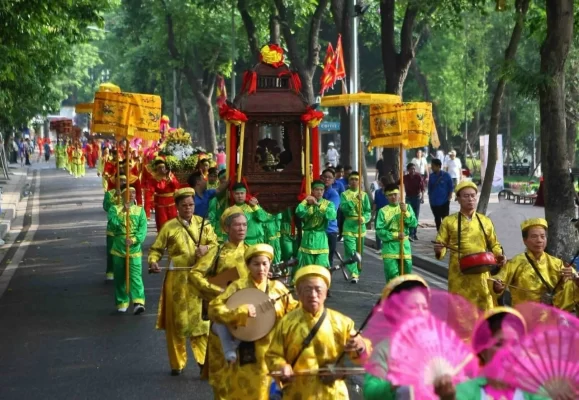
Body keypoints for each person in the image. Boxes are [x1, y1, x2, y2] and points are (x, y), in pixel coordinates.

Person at [265, 265, 371, 399]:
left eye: (318, 290)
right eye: (307, 290)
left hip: (332, 394)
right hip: (297, 393)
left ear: (326, 292)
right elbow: (273, 355)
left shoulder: (341, 322)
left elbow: (362, 357)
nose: (313, 295)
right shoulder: (287, 323)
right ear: (298, 292)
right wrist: (281, 367)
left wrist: (360, 347)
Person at [208, 244, 298, 399]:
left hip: (273, 353)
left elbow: (295, 312)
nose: (261, 268)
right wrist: (239, 312)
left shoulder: (278, 288)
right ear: (248, 265)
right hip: (245, 352)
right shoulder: (238, 286)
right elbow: (214, 309)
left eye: (265, 263)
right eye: (256, 264)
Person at [148, 187, 218, 376]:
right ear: (177, 207)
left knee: (201, 322)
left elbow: (215, 245)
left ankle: (204, 360)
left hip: (198, 279)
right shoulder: (169, 227)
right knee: (176, 323)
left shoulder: (204, 224)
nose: (188, 208)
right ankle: (177, 363)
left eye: (191, 204)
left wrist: (205, 249)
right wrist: (153, 261)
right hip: (176, 280)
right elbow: (156, 249)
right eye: (184, 205)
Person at [190, 207, 249, 400]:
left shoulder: (252, 252)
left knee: (246, 375)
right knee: (221, 376)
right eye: (237, 225)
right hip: (221, 316)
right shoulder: (217, 252)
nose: (241, 229)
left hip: (246, 318)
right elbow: (195, 275)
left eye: (244, 225)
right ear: (226, 228)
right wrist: (218, 291)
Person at [433, 308, 548, 400]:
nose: (508, 351)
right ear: (483, 351)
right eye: (499, 344)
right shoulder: (464, 392)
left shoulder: (535, 392)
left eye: (514, 344)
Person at [434, 181, 506, 311]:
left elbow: (494, 244)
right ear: (458, 199)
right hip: (459, 274)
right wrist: (439, 250)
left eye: (473, 196)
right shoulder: (449, 221)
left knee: (484, 311)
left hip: (481, 272)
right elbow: (441, 244)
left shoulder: (485, 221)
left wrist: (499, 255)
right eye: (466, 196)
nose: (470, 199)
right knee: (460, 313)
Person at [363, 275, 429, 400]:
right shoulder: (383, 350)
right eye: (413, 307)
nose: (421, 312)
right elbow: (370, 391)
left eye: (424, 307)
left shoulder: (437, 346)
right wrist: (393, 385)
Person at [492, 218, 579, 312]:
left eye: (543, 236)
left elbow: (572, 286)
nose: (539, 240)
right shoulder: (515, 262)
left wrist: (574, 278)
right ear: (525, 240)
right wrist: (497, 286)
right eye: (534, 236)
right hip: (524, 317)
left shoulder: (556, 263)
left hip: (550, 317)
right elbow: (499, 279)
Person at [107, 186, 147, 314]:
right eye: (128, 193)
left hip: (134, 248)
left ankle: (138, 301)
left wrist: (134, 240)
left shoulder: (140, 211)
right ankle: (122, 301)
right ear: (123, 194)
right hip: (119, 248)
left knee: (136, 276)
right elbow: (112, 225)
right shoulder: (114, 209)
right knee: (120, 277)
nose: (131, 195)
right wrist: (124, 211)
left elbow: (143, 229)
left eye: (134, 193)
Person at [294, 180, 337, 278]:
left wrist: (317, 204)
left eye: (321, 190)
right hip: (308, 238)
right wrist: (306, 201)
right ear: (312, 191)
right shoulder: (306, 203)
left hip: (321, 237)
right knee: (307, 267)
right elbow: (299, 212)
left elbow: (332, 215)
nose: (319, 192)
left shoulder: (328, 204)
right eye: (317, 190)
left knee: (321, 265)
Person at [376, 184, 418, 282]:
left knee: (406, 276)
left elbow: (414, 223)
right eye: (390, 195)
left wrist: (405, 213)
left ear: (399, 194)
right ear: (386, 196)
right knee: (392, 276)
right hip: (390, 248)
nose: (393, 197)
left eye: (395, 194)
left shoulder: (406, 207)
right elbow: (380, 231)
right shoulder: (383, 211)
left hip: (404, 246)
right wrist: (395, 235)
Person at [340, 171, 371, 283]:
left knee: (359, 252)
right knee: (350, 251)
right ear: (349, 181)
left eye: (356, 179)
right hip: (349, 225)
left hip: (360, 227)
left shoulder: (364, 195)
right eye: (352, 179)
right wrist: (354, 200)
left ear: (360, 181)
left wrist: (363, 218)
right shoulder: (345, 195)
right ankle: (354, 273)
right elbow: (344, 208)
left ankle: (357, 270)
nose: (354, 181)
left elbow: (368, 211)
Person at [103, 174, 126, 281]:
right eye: (120, 180)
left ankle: (124, 272)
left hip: (126, 228)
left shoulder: (129, 194)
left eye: (124, 181)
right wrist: (116, 197)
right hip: (113, 229)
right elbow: (106, 207)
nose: (122, 183)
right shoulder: (109, 194)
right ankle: (110, 271)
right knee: (111, 252)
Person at [149, 157, 180, 232]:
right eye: (159, 168)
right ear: (157, 169)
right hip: (161, 202)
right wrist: (152, 202)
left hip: (171, 201)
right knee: (163, 220)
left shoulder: (170, 175)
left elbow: (176, 185)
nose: (162, 169)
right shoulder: (154, 178)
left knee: (173, 219)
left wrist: (170, 178)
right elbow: (155, 189)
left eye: (163, 167)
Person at [320, 169, 341, 266]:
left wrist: (317, 204)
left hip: (330, 230)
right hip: (318, 230)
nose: (327, 179)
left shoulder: (334, 194)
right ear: (321, 178)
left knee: (329, 258)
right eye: (325, 177)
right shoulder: (316, 191)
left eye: (330, 178)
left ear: (333, 180)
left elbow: (331, 212)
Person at [428, 159, 454, 231]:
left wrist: (449, 198)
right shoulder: (431, 176)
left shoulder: (446, 175)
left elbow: (451, 187)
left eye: (433, 166)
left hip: (444, 202)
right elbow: (429, 188)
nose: (432, 168)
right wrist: (430, 199)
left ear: (438, 166)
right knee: (437, 219)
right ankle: (439, 235)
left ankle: (446, 236)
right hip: (434, 202)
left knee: (445, 219)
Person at [403, 163, 424, 241]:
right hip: (408, 198)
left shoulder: (418, 176)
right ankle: (410, 234)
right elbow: (397, 183)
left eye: (414, 169)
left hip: (416, 198)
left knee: (416, 216)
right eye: (411, 168)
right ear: (408, 170)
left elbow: (422, 187)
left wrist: (422, 197)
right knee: (409, 215)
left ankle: (414, 234)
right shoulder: (405, 177)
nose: (413, 170)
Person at [207, 169, 229, 243]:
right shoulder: (216, 191)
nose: (226, 180)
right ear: (219, 180)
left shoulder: (232, 190)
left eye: (227, 178)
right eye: (224, 178)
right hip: (218, 221)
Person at [373, 177, 389, 253]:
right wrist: (372, 214)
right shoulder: (377, 192)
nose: (379, 183)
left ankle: (385, 247)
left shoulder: (389, 192)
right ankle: (379, 247)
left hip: (388, 213)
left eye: (380, 181)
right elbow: (375, 204)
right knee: (378, 231)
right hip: (379, 213)